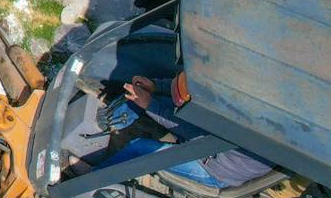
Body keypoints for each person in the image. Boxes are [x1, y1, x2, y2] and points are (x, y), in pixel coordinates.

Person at [103, 70, 273, 189]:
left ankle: (97, 174)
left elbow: (191, 132)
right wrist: (156, 87)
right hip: (209, 137)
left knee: (141, 147)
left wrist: (149, 104)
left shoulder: (241, 129)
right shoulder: (246, 99)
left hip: (214, 166)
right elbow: (191, 87)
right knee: (154, 102)